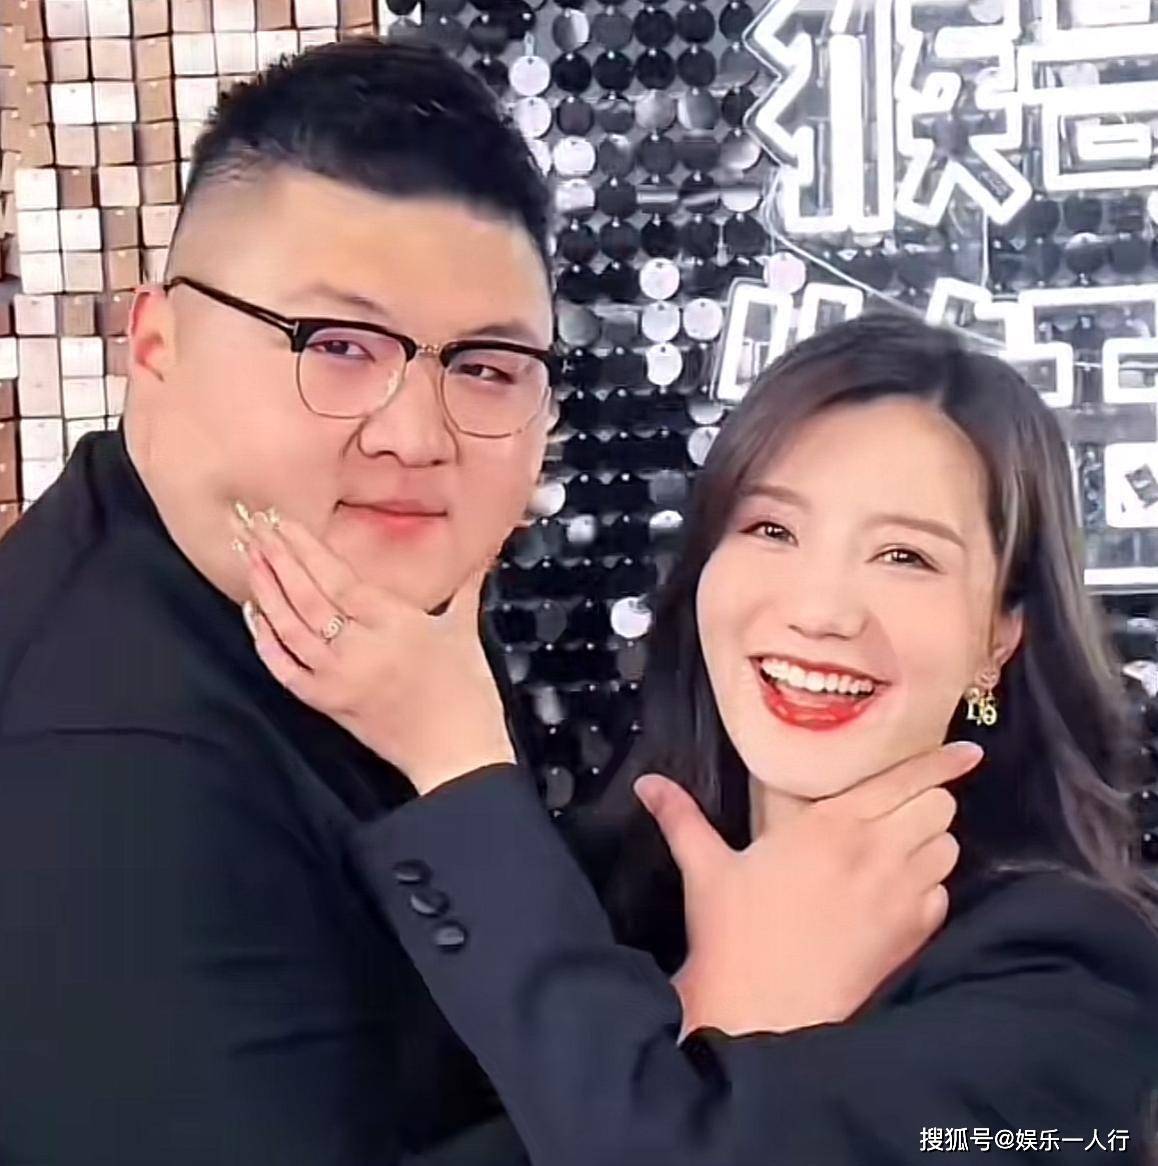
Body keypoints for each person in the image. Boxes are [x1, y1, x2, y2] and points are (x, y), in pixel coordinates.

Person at [246, 315, 1158, 1163]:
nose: (821, 611)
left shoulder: (1070, 980)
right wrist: (717, 993)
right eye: (772, 528)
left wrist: (455, 760)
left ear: (999, 636)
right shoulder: (591, 898)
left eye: (905, 557)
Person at [0, 37, 556, 1164]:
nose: (417, 436)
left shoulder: (329, 590)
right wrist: (726, 1036)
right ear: (157, 345)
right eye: (336, 346)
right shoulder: (110, 768)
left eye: (486, 366)